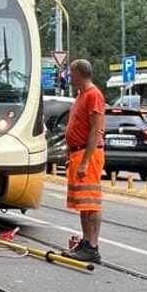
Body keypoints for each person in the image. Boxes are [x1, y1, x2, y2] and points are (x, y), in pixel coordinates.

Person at [63, 58, 105, 263]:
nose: (68, 76)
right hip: (77, 153)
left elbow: (95, 130)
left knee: (91, 201)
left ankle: (93, 246)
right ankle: (86, 242)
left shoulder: (93, 95)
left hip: (88, 155)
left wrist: (85, 161)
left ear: (79, 73)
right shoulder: (81, 95)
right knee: (83, 203)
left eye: (70, 73)